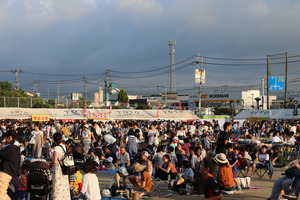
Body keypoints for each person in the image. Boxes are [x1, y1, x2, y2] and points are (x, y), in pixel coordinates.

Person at [0, 130, 21, 200]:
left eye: (7, 138)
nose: (6, 140)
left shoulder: (11, 148)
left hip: (5, 174)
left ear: (10, 137)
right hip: (9, 174)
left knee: (1, 195)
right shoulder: (16, 149)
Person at [51, 132, 71, 200]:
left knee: (57, 185)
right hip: (64, 168)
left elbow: (55, 161)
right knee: (63, 185)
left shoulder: (57, 148)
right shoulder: (64, 146)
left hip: (58, 169)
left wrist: (49, 164)